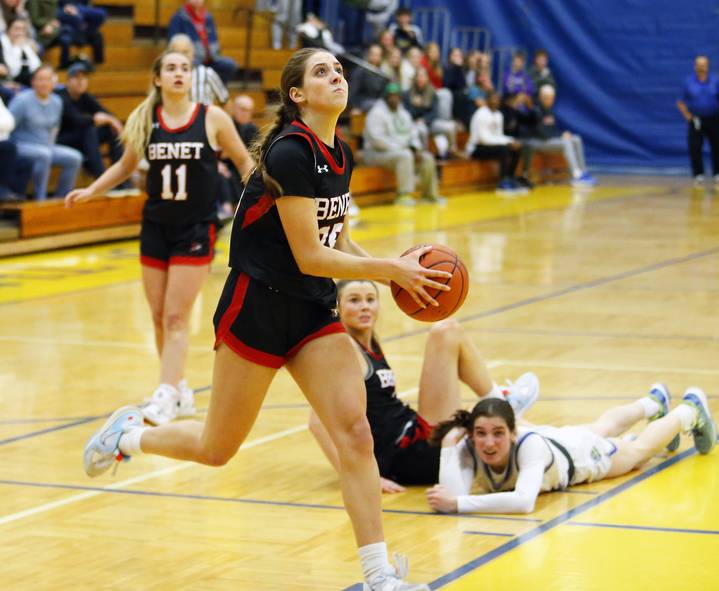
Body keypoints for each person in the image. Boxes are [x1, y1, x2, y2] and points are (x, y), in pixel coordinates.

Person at [81, 47, 446, 591]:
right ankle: (130, 436)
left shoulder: (338, 151)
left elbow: (336, 239)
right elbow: (310, 255)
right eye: (323, 71)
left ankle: (378, 578)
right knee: (217, 449)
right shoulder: (290, 152)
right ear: (297, 94)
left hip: (310, 312)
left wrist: (388, 272)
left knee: (355, 435)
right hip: (257, 306)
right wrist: (389, 271)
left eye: (339, 69)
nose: (337, 77)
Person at [65, 50, 253, 425]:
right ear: (157, 79)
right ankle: (178, 389)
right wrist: (93, 191)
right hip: (155, 227)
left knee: (176, 316)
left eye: (185, 69)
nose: (179, 74)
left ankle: (165, 393)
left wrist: (265, 199)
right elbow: (125, 165)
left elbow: (243, 162)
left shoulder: (212, 118)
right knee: (157, 316)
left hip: (196, 229)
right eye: (171, 68)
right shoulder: (146, 119)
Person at [308, 279, 540, 493]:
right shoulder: (344, 347)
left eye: (370, 299)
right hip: (406, 453)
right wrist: (358, 476)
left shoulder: (369, 344)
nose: (365, 306)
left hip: (414, 433)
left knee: (503, 425)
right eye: (354, 300)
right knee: (445, 332)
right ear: (337, 307)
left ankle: (505, 406)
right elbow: (317, 422)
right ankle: (503, 403)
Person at [426, 384, 715, 514]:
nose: (488, 443)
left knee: (639, 452)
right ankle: (651, 403)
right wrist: (450, 445)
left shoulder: (530, 446)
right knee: (600, 426)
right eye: (481, 434)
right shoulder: (470, 445)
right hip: (558, 441)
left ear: (513, 434)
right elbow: (454, 494)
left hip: (582, 458)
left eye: (498, 434)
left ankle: (689, 410)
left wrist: (458, 505)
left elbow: (523, 502)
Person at [361, 81, 444, 206]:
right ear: (386, 97)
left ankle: (429, 195)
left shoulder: (404, 113)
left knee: (427, 157)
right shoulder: (376, 113)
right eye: (391, 96)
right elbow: (377, 140)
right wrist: (403, 149)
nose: (394, 98)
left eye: (396, 96)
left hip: (400, 153)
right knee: (405, 156)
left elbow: (413, 133)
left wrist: (415, 148)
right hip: (375, 153)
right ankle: (403, 195)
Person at [10, 64, 82, 200]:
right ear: (33, 82)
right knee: (44, 155)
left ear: (53, 83)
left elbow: (55, 128)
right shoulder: (22, 100)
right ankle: (40, 199)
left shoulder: (57, 101)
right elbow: (8, 126)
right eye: (40, 79)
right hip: (21, 145)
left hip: (47, 146)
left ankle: (61, 198)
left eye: (48, 79)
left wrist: (50, 144)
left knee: (74, 157)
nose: (44, 83)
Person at [55, 61, 128, 185]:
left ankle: (120, 178)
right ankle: (102, 179)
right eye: (76, 78)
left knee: (110, 129)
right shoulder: (61, 97)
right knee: (88, 129)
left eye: (83, 78)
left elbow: (108, 114)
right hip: (62, 139)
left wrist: (112, 121)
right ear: (68, 81)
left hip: (83, 139)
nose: (80, 81)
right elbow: (75, 119)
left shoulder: (86, 97)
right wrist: (94, 118)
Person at [529, 84, 595, 187]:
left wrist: (562, 134)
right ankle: (576, 176)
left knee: (576, 138)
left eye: (552, 98)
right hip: (539, 141)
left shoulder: (549, 110)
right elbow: (541, 132)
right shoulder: (535, 111)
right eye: (548, 98)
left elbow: (552, 129)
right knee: (566, 143)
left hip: (550, 139)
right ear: (541, 97)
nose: (551, 101)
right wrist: (560, 136)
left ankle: (583, 171)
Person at [676, 55, 719, 188]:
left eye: (704, 65)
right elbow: (680, 102)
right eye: (699, 65)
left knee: (717, 147)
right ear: (695, 66)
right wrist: (688, 117)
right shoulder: (688, 82)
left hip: (714, 118)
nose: (701, 67)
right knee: (695, 147)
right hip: (696, 119)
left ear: (707, 66)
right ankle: (698, 174)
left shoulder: (715, 81)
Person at [167, 0, 237, 83]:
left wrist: (213, 55)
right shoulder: (178, 18)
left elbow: (215, 41)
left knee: (229, 65)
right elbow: (174, 44)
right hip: (193, 60)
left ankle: (216, 90)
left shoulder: (208, 17)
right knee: (195, 67)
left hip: (211, 59)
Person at [465, 90, 522, 193]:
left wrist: (511, 140)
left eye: (497, 99)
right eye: (493, 99)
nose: (496, 102)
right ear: (487, 100)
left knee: (517, 147)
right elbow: (483, 139)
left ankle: (510, 177)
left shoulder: (499, 115)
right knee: (504, 149)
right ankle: (502, 182)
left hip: (492, 145)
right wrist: (506, 143)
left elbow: (498, 135)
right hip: (476, 148)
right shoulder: (480, 114)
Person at [167, 33, 229, 106]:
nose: (182, 56)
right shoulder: (165, 75)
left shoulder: (207, 73)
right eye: (177, 52)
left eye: (185, 52)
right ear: (169, 54)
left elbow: (225, 100)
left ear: (193, 52)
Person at [56, 0, 107, 69]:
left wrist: (77, 10)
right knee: (65, 37)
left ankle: (98, 64)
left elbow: (101, 14)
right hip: (67, 26)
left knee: (97, 36)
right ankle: (64, 65)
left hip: (84, 27)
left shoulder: (82, 6)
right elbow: (55, 12)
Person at [0, 17, 41, 86]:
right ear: (8, 30)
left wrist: (28, 49)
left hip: (28, 79)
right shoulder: (2, 44)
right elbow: (12, 71)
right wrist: (16, 47)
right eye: (17, 29)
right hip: (9, 81)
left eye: (23, 30)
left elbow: (36, 65)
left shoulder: (25, 43)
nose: (20, 33)